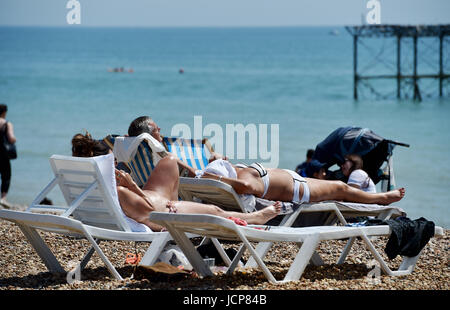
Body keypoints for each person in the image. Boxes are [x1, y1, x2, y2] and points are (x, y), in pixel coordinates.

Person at [71, 132, 281, 232]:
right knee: (215, 211)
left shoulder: (92, 189)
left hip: (157, 200)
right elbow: (152, 215)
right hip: (168, 211)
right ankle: (255, 217)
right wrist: (132, 185)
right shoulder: (122, 192)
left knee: (169, 160)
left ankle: (193, 175)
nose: (116, 165)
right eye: (113, 161)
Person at [197, 159, 405, 206]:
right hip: (300, 190)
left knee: (340, 188)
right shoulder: (243, 179)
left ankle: (378, 198)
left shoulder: (240, 171)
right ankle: (380, 198)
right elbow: (247, 188)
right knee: (341, 188)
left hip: (297, 181)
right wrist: (216, 178)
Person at [127, 115, 227, 163]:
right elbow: (193, 175)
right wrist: (213, 162)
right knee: (217, 157)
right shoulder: (164, 155)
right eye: (156, 130)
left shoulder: (130, 154)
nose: (160, 129)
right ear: (149, 137)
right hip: (192, 185)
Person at [0, 104, 16, 206]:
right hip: (3, 153)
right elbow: (11, 138)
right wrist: (15, 140)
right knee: (6, 176)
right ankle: (3, 198)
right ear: (4, 112)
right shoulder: (7, 123)